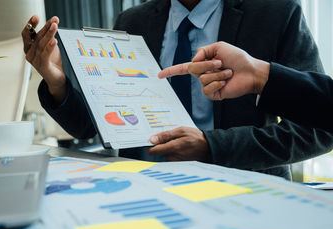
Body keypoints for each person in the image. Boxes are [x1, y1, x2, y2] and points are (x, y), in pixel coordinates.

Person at [22, 0, 333, 180]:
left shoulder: (276, 12)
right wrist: (57, 81)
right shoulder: (132, 20)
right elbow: (93, 125)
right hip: (144, 189)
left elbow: (317, 131)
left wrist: (213, 147)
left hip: (245, 189)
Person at [157, 41, 333, 132]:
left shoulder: (278, 8)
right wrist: (257, 76)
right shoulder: (136, 18)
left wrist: (214, 146)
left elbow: (316, 135)